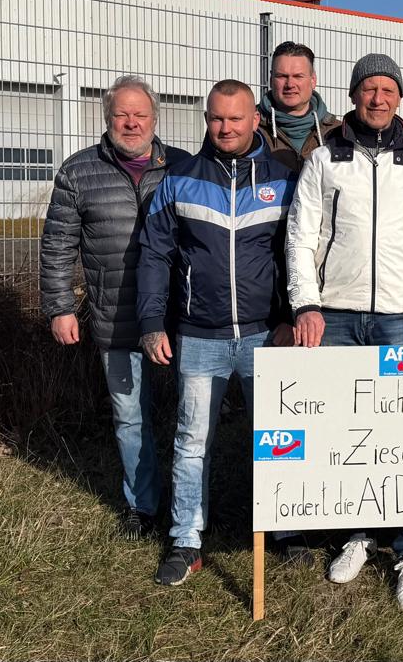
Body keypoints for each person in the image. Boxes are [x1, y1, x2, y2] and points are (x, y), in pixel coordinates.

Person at [285, 52, 403, 613]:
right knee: (348, 433)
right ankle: (358, 534)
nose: (378, 98)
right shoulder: (324, 159)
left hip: (400, 317)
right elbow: (301, 235)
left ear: (400, 98)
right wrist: (306, 302)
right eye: (368, 88)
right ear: (353, 94)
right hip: (335, 316)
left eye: (387, 89)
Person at [137, 79, 295, 586]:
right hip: (199, 336)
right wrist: (151, 323)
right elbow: (155, 254)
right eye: (216, 118)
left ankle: (286, 529)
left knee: (277, 438)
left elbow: (297, 255)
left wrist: (290, 316)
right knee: (191, 442)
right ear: (206, 119)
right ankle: (186, 541)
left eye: (235, 118)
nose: (225, 128)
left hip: (265, 335)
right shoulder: (180, 178)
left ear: (256, 120)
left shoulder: (283, 180)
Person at [40, 74, 190, 537]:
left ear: (155, 119)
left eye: (140, 114)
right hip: (115, 314)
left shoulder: (184, 167)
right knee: (129, 416)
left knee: (192, 417)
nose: (131, 123)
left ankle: (191, 506)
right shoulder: (78, 172)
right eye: (121, 114)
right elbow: (57, 244)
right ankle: (142, 507)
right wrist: (60, 306)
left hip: (182, 315)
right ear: (107, 118)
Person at [259, 41, 340, 173]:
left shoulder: (337, 133)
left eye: (298, 76)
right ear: (271, 79)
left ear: (313, 80)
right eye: (282, 76)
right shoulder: (250, 128)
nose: (290, 84)